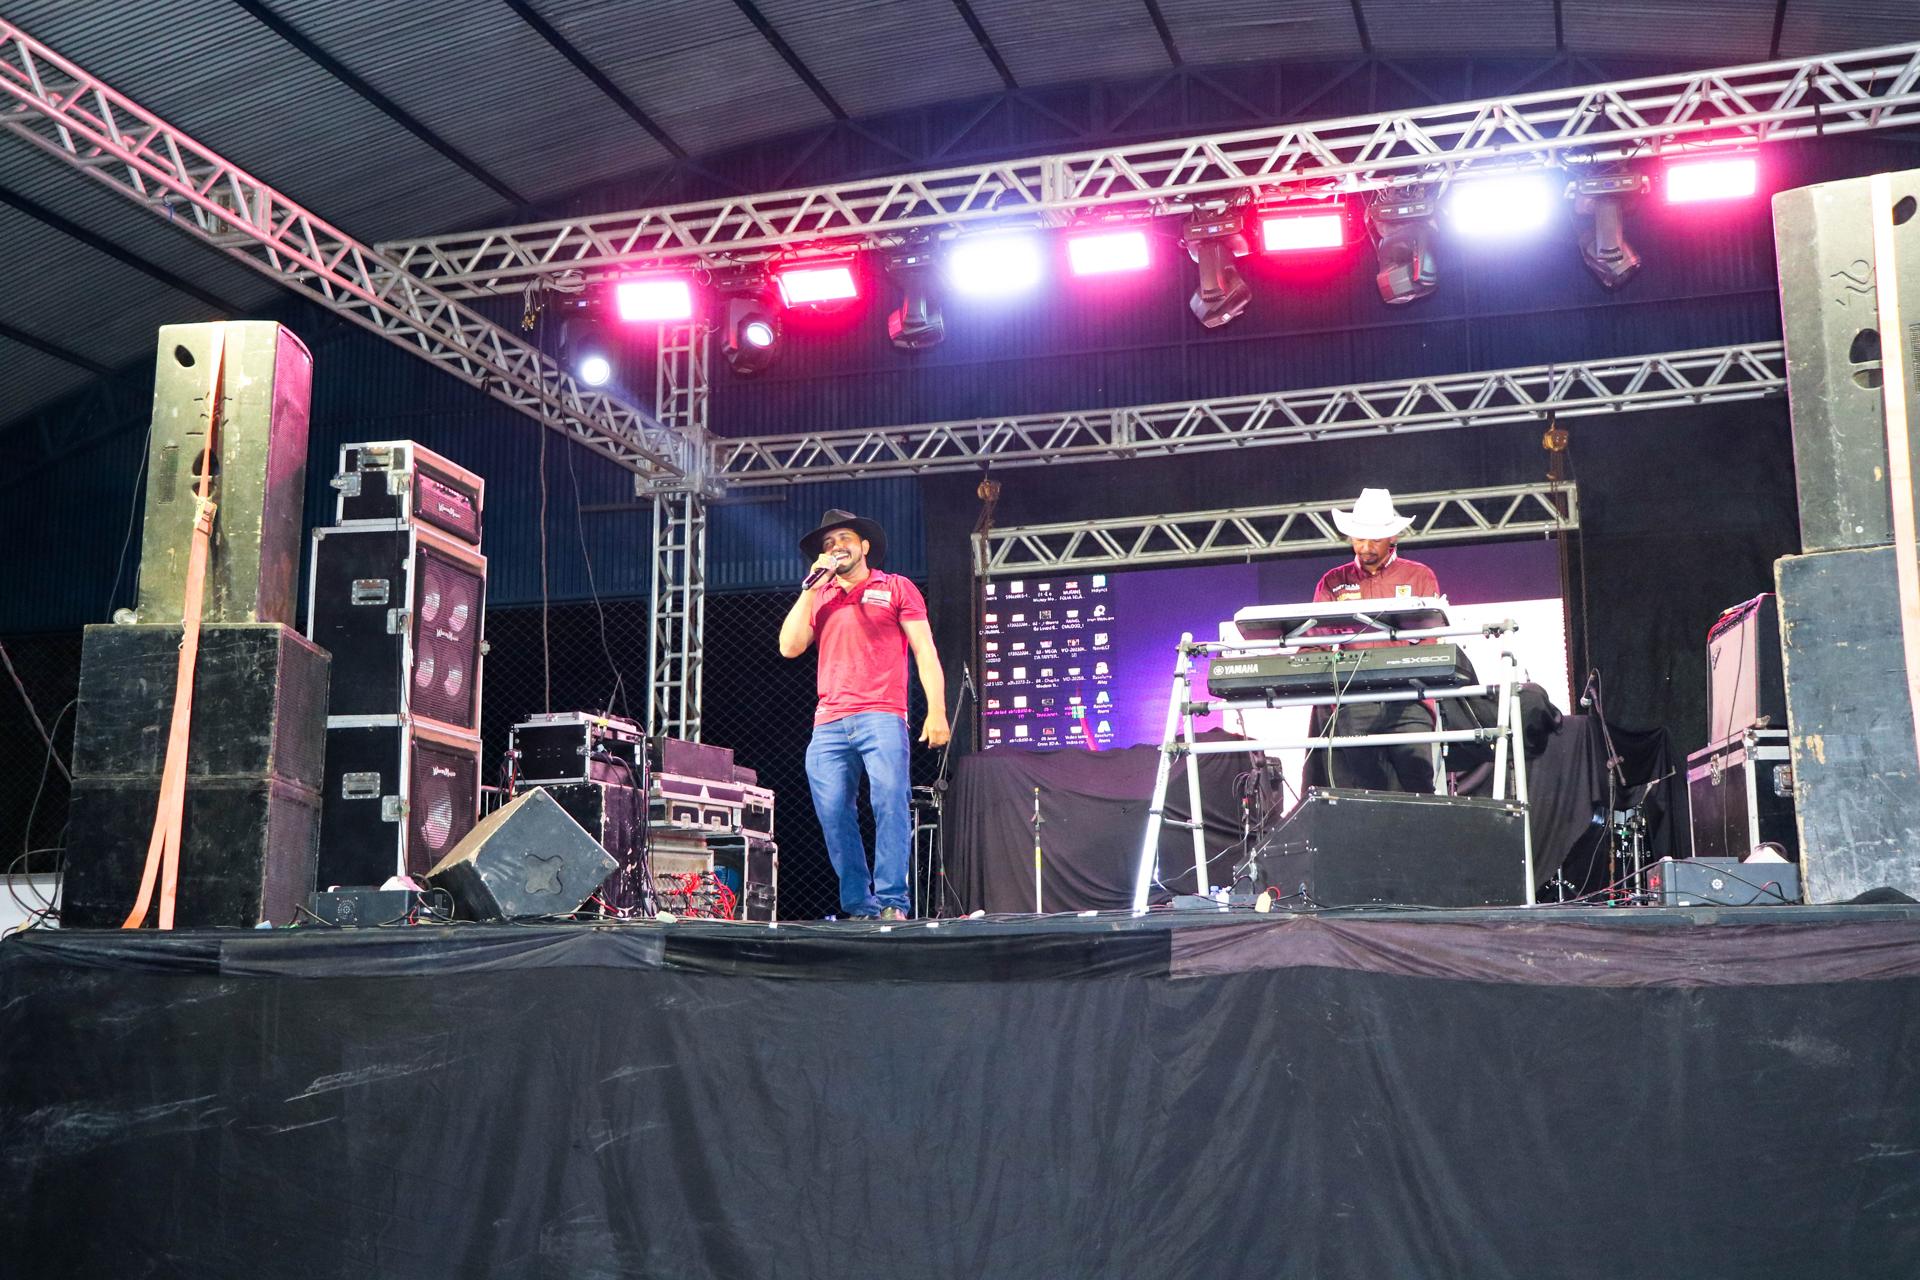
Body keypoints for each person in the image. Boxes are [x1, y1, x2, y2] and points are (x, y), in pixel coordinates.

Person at [778, 508, 949, 920]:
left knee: (889, 801)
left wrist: (937, 711)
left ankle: (892, 902)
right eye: (828, 543)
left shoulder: (895, 587)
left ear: (865, 546)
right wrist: (810, 587)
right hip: (829, 722)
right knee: (833, 811)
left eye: (844, 539)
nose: (836, 547)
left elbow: (925, 650)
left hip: (882, 714)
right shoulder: (820, 595)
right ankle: (860, 905)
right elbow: (789, 647)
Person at [1301, 488, 1443, 794]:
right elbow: (1313, 643)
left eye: (1374, 539)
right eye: (1359, 538)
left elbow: (1431, 641)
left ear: (1392, 537)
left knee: (1417, 779)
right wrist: (1303, 665)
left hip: (1410, 697)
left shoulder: (1419, 576)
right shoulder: (1332, 581)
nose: (1365, 547)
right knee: (1367, 787)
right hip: (1354, 699)